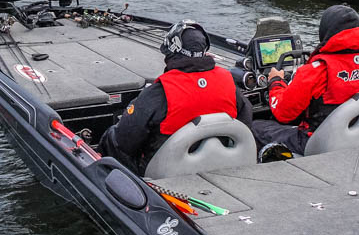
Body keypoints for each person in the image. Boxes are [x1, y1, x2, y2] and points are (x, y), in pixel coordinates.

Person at [253, 5, 359, 158]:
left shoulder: (317, 70)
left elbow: (283, 114)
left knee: (255, 127)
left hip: (321, 144)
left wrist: (275, 82)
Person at [101, 22, 255, 173]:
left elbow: (125, 140)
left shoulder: (159, 92)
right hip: (222, 163)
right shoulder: (228, 83)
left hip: (165, 172)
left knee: (112, 136)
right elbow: (245, 122)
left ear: (171, 53)